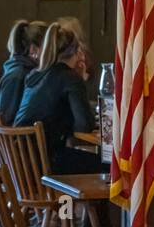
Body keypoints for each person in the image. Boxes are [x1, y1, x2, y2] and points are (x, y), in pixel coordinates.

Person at [14, 22, 97, 174]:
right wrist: (81, 80)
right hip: (43, 164)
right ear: (78, 52)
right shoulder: (70, 79)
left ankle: (75, 199)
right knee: (112, 169)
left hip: (20, 163)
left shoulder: (35, 75)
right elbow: (84, 125)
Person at [0, 20, 47, 126]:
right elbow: (7, 124)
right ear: (33, 49)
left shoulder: (21, 71)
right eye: (47, 47)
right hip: (18, 141)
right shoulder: (18, 76)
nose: (52, 51)